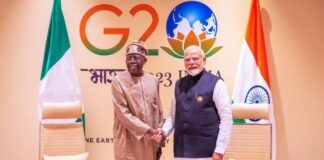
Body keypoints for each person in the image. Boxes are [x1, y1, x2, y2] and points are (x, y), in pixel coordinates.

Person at [160, 45, 233, 160]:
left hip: (208, 153)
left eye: (195, 58)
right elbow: (172, 116)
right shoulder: (178, 84)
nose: (191, 62)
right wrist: (163, 131)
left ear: (204, 60)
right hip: (181, 151)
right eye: (187, 60)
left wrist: (219, 150)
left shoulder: (216, 83)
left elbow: (226, 119)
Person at [111, 41, 164, 160]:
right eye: (128, 58)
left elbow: (158, 110)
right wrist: (148, 130)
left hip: (150, 139)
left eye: (136, 58)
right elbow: (123, 113)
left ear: (144, 60)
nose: (132, 61)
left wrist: (159, 134)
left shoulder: (153, 80)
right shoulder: (118, 81)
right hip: (128, 138)